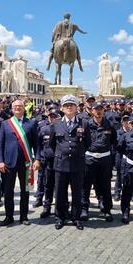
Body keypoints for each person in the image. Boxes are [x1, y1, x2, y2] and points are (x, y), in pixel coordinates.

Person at [48, 95, 90, 230]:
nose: (69, 107)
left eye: (72, 105)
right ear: (62, 108)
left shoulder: (84, 123)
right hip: (61, 164)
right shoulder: (56, 124)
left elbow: (88, 143)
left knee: (77, 192)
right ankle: (60, 217)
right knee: (60, 192)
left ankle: (76, 217)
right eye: (66, 105)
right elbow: (52, 143)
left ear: (76, 107)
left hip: (77, 164)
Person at [0, 99, 40, 226]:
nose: (17, 108)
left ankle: (24, 216)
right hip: (9, 163)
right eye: (15, 106)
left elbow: (37, 145)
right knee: (8, 191)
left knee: (25, 191)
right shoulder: (5, 124)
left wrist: (37, 159)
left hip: (26, 163)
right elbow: (0, 144)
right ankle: (9, 217)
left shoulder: (31, 124)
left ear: (23, 108)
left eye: (20, 106)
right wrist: (0, 161)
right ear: (12, 108)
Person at [82, 101, 116, 222]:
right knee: (85, 185)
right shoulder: (86, 124)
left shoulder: (109, 125)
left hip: (104, 159)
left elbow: (113, 142)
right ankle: (84, 208)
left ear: (103, 111)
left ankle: (106, 209)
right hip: (90, 159)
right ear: (92, 111)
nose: (98, 111)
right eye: (96, 109)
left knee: (105, 185)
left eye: (101, 109)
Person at [37, 107, 58, 219]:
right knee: (48, 186)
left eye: (55, 117)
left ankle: (60, 208)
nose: (53, 119)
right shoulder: (43, 129)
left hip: (60, 162)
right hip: (48, 162)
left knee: (60, 187)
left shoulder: (62, 129)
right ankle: (47, 207)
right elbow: (39, 145)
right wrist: (39, 158)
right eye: (51, 117)